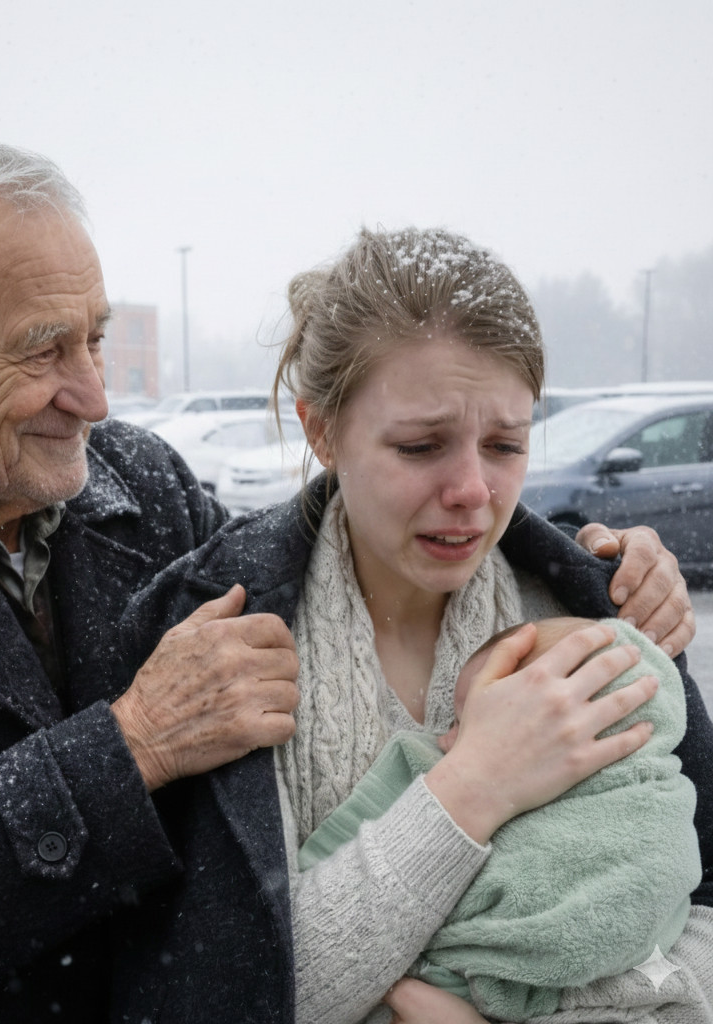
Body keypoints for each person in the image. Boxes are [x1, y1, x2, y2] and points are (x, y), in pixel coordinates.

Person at [0, 138, 694, 1023]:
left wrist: (589, 561)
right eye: (44, 350)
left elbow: (341, 566)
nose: (92, 394)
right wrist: (128, 746)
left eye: (94, 336)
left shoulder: (138, 486)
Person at [116, 227, 713, 1023]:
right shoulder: (210, 652)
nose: (473, 489)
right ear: (321, 428)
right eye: (422, 444)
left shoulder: (594, 615)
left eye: (505, 444)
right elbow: (225, 990)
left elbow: (697, 900)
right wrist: (475, 784)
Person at [300, 616, 705, 1022]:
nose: (444, 741)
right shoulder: (256, 661)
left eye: (464, 722)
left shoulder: (602, 593)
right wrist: (475, 782)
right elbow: (277, 982)